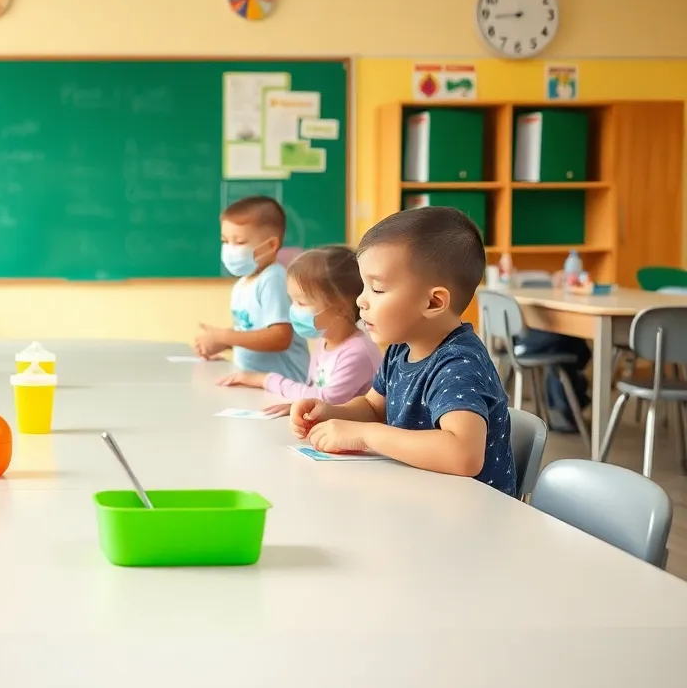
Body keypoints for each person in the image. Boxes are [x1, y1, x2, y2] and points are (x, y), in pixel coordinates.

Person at [290, 206, 516, 495]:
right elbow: (373, 407)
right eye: (364, 287)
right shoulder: (400, 349)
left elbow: (463, 455)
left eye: (377, 289)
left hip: (471, 515)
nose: (361, 301)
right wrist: (330, 412)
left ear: (434, 303)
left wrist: (365, 435)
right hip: (419, 498)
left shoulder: (458, 364)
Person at [218, 246, 381, 413]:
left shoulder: (357, 352)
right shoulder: (324, 341)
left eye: (301, 303)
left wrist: (264, 379)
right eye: (292, 300)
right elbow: (315, 394)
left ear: (340, 308)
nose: (292, 309)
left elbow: (325, 400)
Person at [195, 196, 309, 382]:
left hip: (284, 386)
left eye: (239, 242)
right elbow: (250, 332)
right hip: (254, 383)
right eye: (225, 241)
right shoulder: (242, 284)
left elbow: (280, 337)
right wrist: (223, 343)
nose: (230, 249)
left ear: (272, 245)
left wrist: (225, 336)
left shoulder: (273, 279)